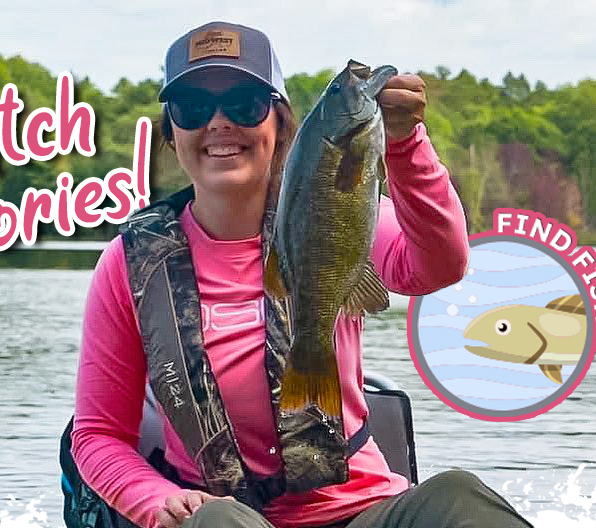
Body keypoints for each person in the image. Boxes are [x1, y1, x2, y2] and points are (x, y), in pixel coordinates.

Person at [71, 21, 533, 528]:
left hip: (362, 509)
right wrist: (156, 498)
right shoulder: (129, 263)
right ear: (171, 131)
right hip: (222, 518)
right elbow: (97, 435)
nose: (219, 122)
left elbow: (441, 265)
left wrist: (403, 145)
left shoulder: (333, 209)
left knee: (460, 497)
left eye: (245, 104)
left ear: (278, 121)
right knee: (221, 523)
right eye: (193, 107)